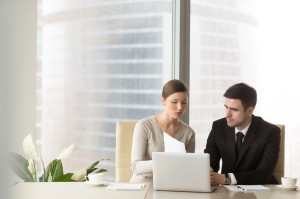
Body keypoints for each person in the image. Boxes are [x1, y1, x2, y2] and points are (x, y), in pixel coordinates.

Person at [204, 83, 280, 185]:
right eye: (226, 107)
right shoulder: (218, 127)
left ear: (249, 111)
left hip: (260, 192)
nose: (227, 114)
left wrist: (225, 179)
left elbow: (263, 174)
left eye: (234, 109)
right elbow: (210, 164)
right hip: (226, 193)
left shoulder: (270, 132)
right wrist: (207, 170)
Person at [130, 79, 195, 183]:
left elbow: (188, 168)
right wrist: (165, 161)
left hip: (171, 186)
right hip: (144, 187)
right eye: (174, 102)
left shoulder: (189, 133)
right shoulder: (144, 126)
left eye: (184, 102)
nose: (180, 107)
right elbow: (136, 167)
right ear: (163, 101)